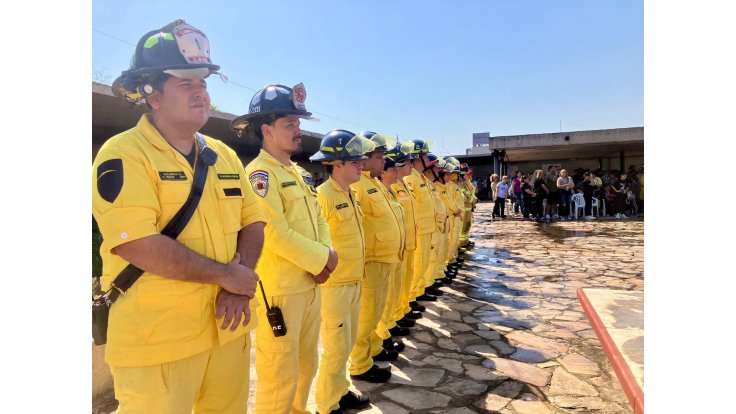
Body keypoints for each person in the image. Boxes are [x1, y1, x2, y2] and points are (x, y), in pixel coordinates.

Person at [92, 20, 266, 413]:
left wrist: (237, 283)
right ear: (152, 94)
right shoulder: (125, 154)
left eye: (203, 83)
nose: (201, 92)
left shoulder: (223, 154)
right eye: (187, 83)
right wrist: (226, 276)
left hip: (227, 330)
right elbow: (136, 243)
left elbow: (253, 221)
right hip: (157, 342)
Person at [232, 83, 338, 414]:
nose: (299, 130)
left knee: (307, 367)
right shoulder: (259, 175)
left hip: (309, 285)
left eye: (299, 123)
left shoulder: (299, 173)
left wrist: (326, 257)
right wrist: (322, 258)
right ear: (266, 130)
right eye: (290, 124)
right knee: (279, 377)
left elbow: (319, 218)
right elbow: (274, 233)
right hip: (280, 293)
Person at [310, 130, 375, 414]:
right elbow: (316, 240)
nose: (361, 165)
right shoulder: (322, 196)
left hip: (354, 280)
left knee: (346, 345)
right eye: (354, 162)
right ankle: (326, 405)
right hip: (334, 285)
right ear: (336, 164)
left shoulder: (351, 194)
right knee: (335, 349)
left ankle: (340, 390)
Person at [348, 132, 403, 383]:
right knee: (367, 314)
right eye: (379, 156)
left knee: (376, 310)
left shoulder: (376, 183)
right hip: (370, 259)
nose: (384, 161)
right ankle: (359, 364)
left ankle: (373, 350)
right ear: (365, 157)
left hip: (383, 256)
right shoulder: (357, 185)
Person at [402, 139, 439, 308]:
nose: (427, 159)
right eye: (424, 155)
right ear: (418, 157)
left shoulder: (420, 177)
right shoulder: (411, 179)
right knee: (416, 267)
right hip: (419, 230)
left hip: (426, 228)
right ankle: (411, 298)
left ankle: (418, 292)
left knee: (422, 265)